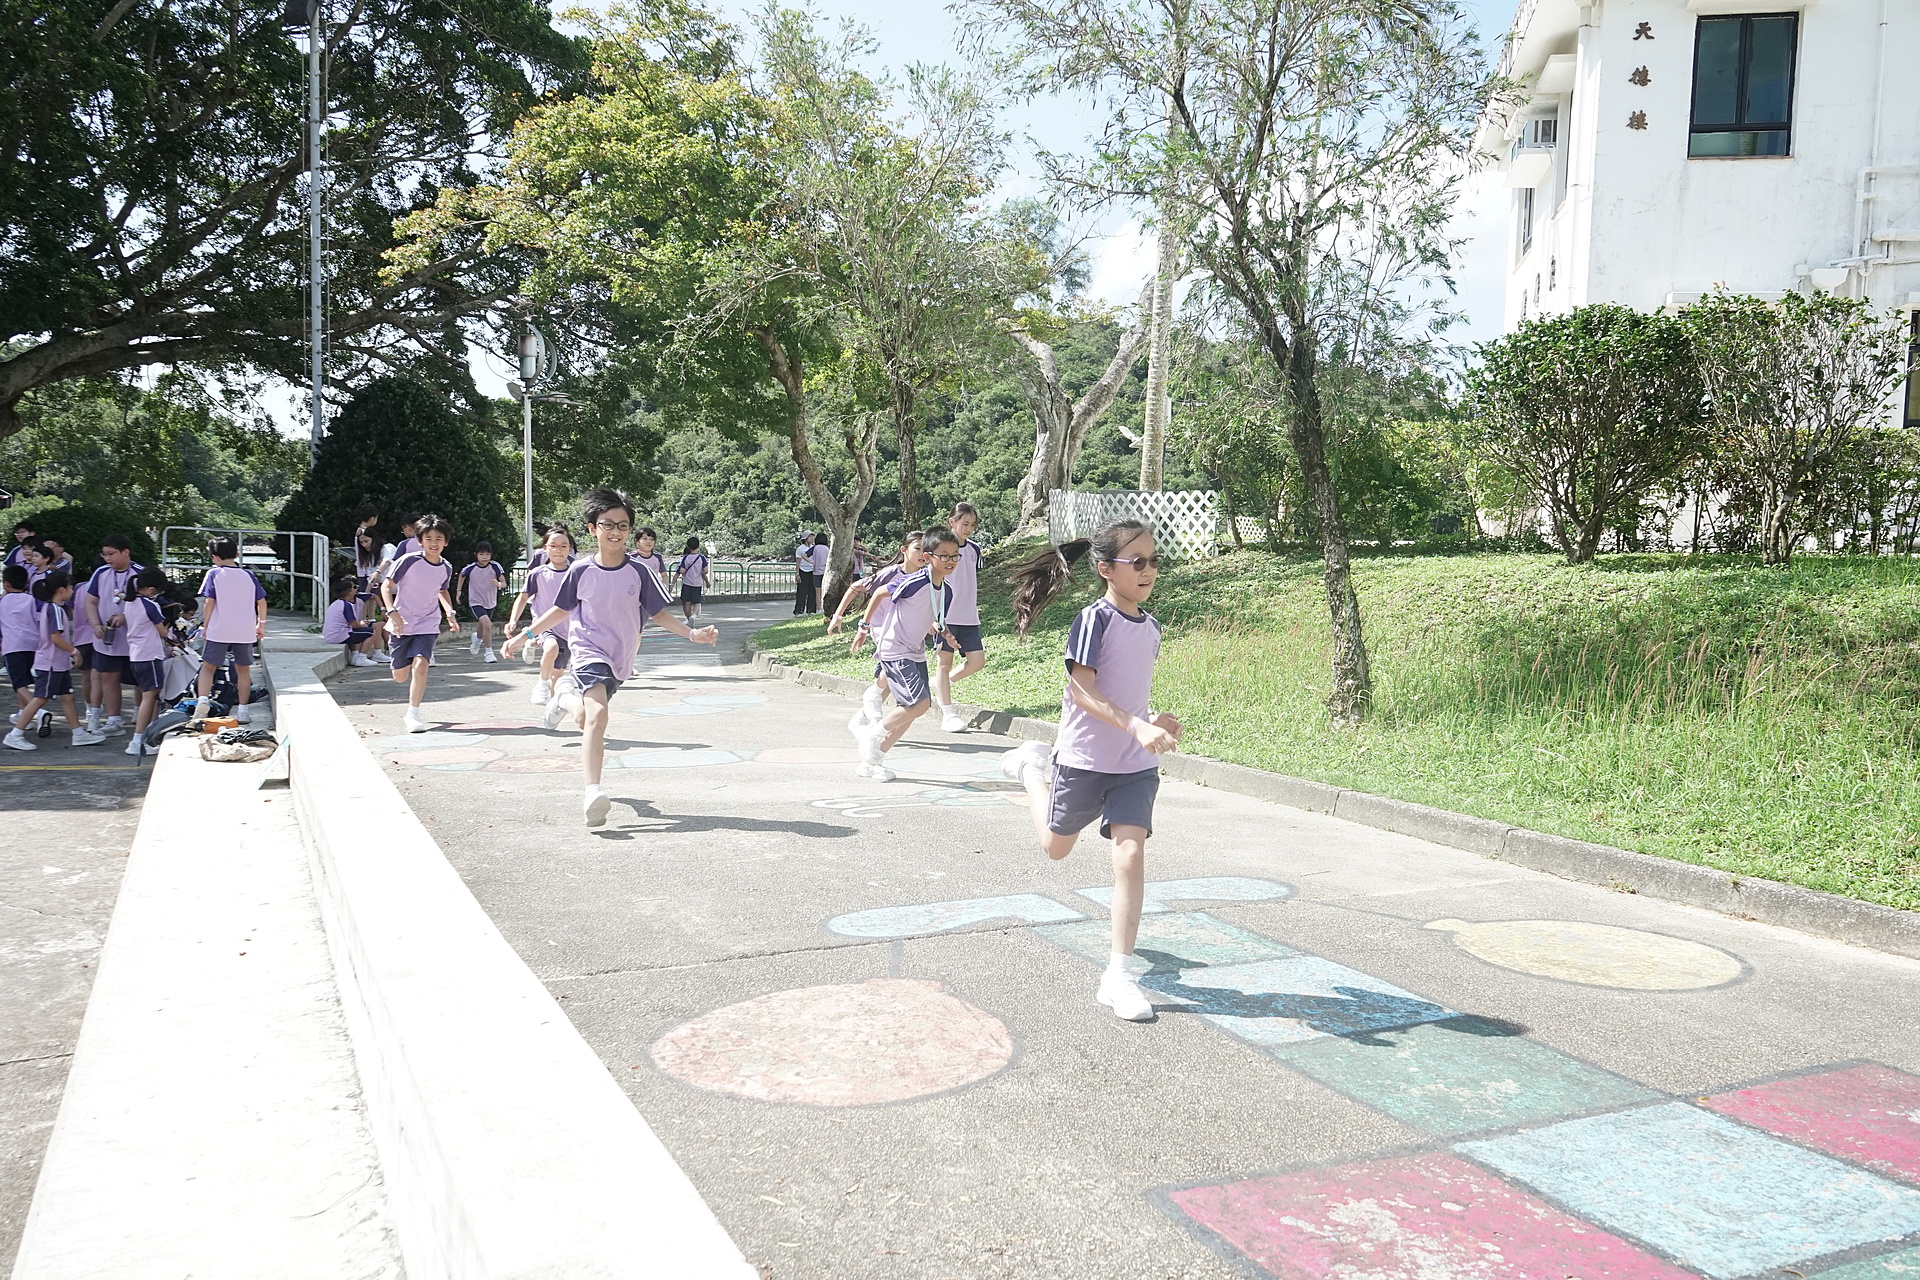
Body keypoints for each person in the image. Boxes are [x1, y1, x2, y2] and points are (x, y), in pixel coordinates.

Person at [998, 518, 1183, 1023]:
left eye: (1153, 561)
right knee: (1056, 848)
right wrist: (1136, 725)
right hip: (1083, 758)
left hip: (1134, 764)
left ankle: (1118, 975)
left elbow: (1130, 696)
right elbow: (1083, 691)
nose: (1148, 570)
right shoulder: (1093, 619)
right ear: (1105, 569)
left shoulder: (1152, 628)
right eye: (1137, 561)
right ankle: (1031, 770)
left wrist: (1152, 721)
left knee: (1130, 856)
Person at [504, 489, 718, 828]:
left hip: (621, 657)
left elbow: (659, 614)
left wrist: (693, 634)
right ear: (593, 529)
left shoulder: (640, 572)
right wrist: (525, 635)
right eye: (607, 524)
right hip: (588, 651)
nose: (615, 531)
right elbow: (560, 610)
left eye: (622, 525)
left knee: (586, 719)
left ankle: (563, 696)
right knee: (599, 715)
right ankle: (593, 792)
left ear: (629, 530)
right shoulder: (580, 570)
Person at [845, 525, 962, 782]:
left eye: (955, 555)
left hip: (915, 651)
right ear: (928, 557)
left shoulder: (947, 591)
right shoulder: (914, 581)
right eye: (944, 555)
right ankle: (872, 734)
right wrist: (863, 628)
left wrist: (946, 634)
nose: (951, 560)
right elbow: (879, 593)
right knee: (919, 704)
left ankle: (872, 761)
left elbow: (934, 620)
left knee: (910, 712)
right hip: (894, 649)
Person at [5, 571, 107, 751]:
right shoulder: (56, 610)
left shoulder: (51, 607)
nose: (72, 591)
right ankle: (15, 734)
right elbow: (56, 637)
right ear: (61, 590)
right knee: (40, 699)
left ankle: (78, 734)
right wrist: (74, 651)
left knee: (68, 696)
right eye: (70, 587)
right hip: (50, 663)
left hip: (57, 663)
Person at [832, 532, 926, 726]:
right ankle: (873, 696)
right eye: (917, 548)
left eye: (926, 549)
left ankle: (862, 717)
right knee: (896, 663)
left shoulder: (924, 576)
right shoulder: (890, 573)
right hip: (881, 626)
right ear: (904, 550)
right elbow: (856, 587)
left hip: (903, 630)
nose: (922, 553)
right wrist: (838, 617)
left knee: (891, 676)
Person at [380, 514, 460, 734]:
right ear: (420, 541)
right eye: (428, 539)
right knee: (400, 677)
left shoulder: (446, 567)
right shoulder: (408, 561)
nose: (434, 543)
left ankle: (413, 713)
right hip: (401, 623)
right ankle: (400, 663)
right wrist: (392, 612)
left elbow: (442, 590)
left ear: (446, 542)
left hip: (428, 622)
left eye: (438, 539)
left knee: (421, 664)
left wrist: (449, 612)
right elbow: (386, 587)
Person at [193, 538, 267, 725]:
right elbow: (261, 601)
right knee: (243, 670)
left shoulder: (213, 574)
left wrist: (205, 626)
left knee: (208, 667)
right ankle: (243, 710)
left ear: (214, 557)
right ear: (236, 554)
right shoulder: (248, 575)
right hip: (244, 630)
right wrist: (261, 625)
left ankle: (202, 701)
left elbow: (209, 602)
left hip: (219, 628)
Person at [931, 501, 988, 732]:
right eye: (965, 524)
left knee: (977, 661)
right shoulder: (941, 549)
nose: (969, 529)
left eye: (973, 525)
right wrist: (934, 615)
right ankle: (948, 714)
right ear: (951, 522)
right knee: (944, 663)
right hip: (945, 617)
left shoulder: (974, 550)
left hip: (969, 616)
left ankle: (939, 685)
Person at [82, 534, 144, 737]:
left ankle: (142, 715)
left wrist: (126, 615)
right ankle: (113, 720)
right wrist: (95, 624)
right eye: (105, 554)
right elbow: (90, 602)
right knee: (108, 677)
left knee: (140, 679)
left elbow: (149, 604)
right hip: (107, 638)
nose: (107, 558)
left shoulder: (140, 573)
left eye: (111, 554)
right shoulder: (101, 573)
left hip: (135, 639)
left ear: (126, 552)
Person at [507, 525, 575, 704]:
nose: (558, 550)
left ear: (570, 549)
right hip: (544, 625)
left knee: (557, 675)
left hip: (568, 629)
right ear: (545, 548)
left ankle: (552, 705)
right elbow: (523, 598)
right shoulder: (537, 574)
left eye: (563, 546)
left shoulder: (575, 573)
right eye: (553, 545)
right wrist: (513, 620)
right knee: (551, 648)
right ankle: (541, 684)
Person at [121, 567, 174, 757]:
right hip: (150, 655)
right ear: (151, 590)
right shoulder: (151, 606)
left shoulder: (130, 603)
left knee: (150, 695)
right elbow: (162, 631)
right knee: (149, 697)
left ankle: (146, 737)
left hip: (136, 655)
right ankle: (138, 741)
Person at [460, 541, 508, 662]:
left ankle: (477, 639)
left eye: (487, 554)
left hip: (490, 601)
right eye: (481, 554)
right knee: (487, 624)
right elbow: (462, 574)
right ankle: (489, 653)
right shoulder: (471, 567)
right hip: (475, 601)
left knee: (483, 626)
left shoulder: (495, 566)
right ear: (476, 555)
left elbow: (504, 583)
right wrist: (458, 591)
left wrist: (498, 584)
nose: (485, 557)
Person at [323, 576, 384, 666]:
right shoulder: (347, 605)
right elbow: (355, 625)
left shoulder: (337, 603)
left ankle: (355, 656)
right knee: (371, 632)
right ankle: (361, 658)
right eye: (354, 588)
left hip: (331, 635)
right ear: (350, 592)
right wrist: (362, 624)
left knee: (353, 631)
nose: (356, 589)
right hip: (338, 635)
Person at [2, 564, 36, 718]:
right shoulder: (31, 599)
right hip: (32, 644)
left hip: (13, 645)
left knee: (18, 683)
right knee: (25, 680)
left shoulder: (2, 602)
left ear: (6, 584)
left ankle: (38, 711)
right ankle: (24, 715)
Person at [673, 537, 708, 622]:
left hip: (687, 583)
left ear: (688, 547)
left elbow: (681, 570)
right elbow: (705, 571)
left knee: (687, 602)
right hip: (697, 584)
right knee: (697, 602)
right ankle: (694, 616)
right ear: (698, 546)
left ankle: (689, 619)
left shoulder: (686, 558)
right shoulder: (702, 558)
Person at [793, 532, 816, 616]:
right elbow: (798, 562)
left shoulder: (813, 548)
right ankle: (799, 610)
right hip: (803, 570)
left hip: (812, 571)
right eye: (810, 537)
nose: (812, 539)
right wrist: (797, 573)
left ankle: (811, 610)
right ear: (805, 538)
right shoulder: (800, 549)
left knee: (812, 591)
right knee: (801, 592)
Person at [808, 531, 829, 613]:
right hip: (825, 572)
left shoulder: (815, 548)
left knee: (817, 592)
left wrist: (812, 562)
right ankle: (824, 608)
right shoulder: (827, 548)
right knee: (824, 591)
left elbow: (804, 555)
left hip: (816, 572)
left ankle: (818, 609)